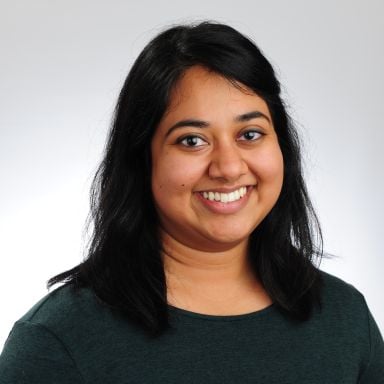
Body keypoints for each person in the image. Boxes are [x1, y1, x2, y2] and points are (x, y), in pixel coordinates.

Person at [0, 21, 383, 383]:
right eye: (191, 140)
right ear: (142, 158)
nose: (229, 168)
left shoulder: (345, 318)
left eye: (250, 134)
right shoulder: (57, 342)